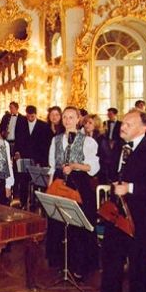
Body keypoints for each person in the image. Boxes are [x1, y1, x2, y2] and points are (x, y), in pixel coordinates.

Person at [87, 110, 146, 292]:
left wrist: (131, 188)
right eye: (123, 123)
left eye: (128, 124)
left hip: (141, 216)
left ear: (143, 128)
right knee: (111, 254)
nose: (122, 127)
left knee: (139, 260)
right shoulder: (120, 147)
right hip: (116, 213)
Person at [47, 106, 100, 279]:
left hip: (78, 183)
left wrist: (75, 166)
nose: (67, 120)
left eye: (71, 117)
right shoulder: (55, 140)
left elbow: (93, 167)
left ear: (78, 120)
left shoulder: (87, 141)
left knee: (78, 225)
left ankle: (80, 265)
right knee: (59, 222)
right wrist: (49, 187)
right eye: (65, 117)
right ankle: (63, 262)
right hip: (59, 182)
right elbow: (52, 166)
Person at [82, 114, 115, 184]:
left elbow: (107, 159)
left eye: (90, 123)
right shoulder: (84, 137)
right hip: (87, 171)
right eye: (85, 122)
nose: (87, 125)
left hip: (100, 173)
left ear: (96, 124)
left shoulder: (101, 139)